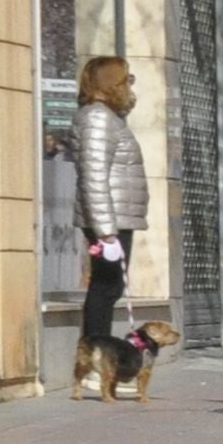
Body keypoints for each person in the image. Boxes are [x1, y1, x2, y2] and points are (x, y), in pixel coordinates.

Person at [70, 56, 145, 394]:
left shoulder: (109, 118)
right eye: (126, 79)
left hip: (115, 217)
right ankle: (95, 367)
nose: (131, 85)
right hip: (108, 220)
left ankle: (101, 366)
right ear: (111, 82)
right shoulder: (98, 119)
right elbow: (94, 178)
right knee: (105, 288)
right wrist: (106, 230)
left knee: (109, 288)